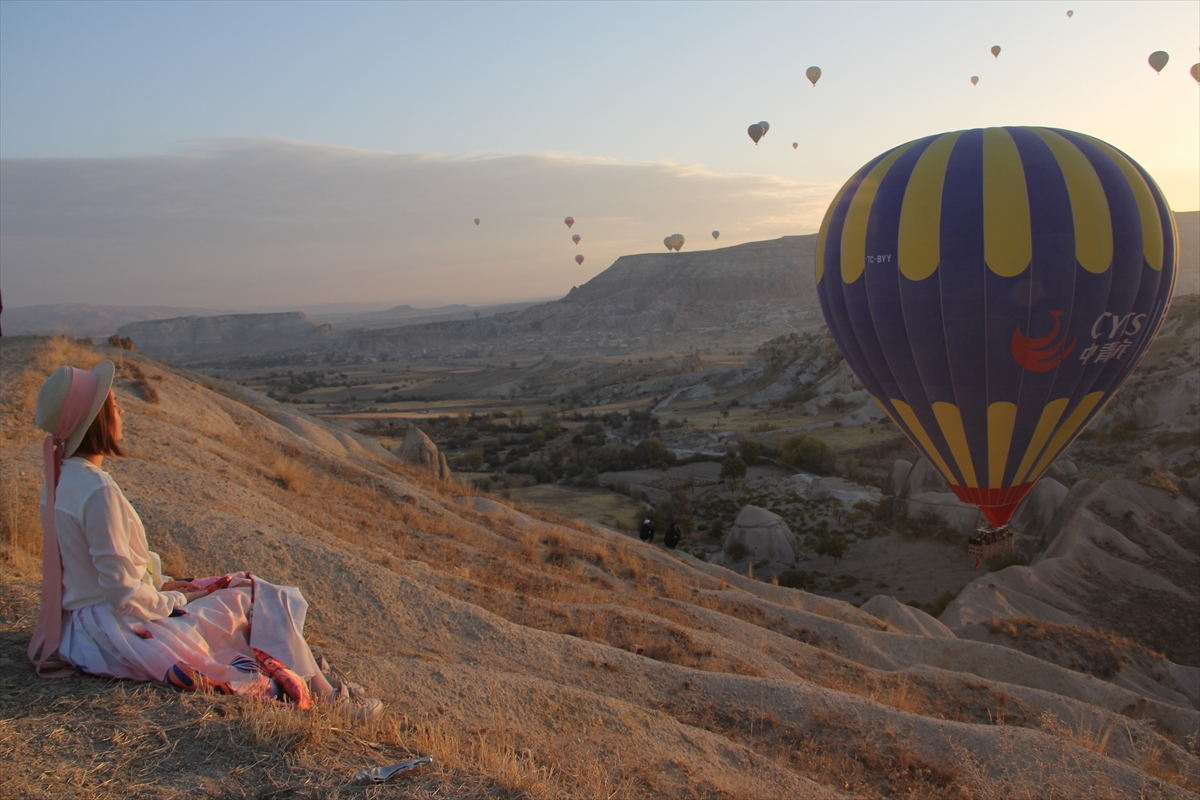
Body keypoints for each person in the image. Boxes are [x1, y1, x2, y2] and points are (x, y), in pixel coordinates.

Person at [30, 361, 382, 721]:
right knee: (254, 593)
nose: (121, 411)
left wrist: (164, 584)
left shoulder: (58, 481)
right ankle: (331, 700)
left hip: (83, 633)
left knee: (236, 590)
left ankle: (319, 680)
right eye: (114, 404)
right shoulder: (97, 490)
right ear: (96, 421)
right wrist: (181, 597)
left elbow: (90, 572)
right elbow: (124, 596)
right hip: (121, 634)